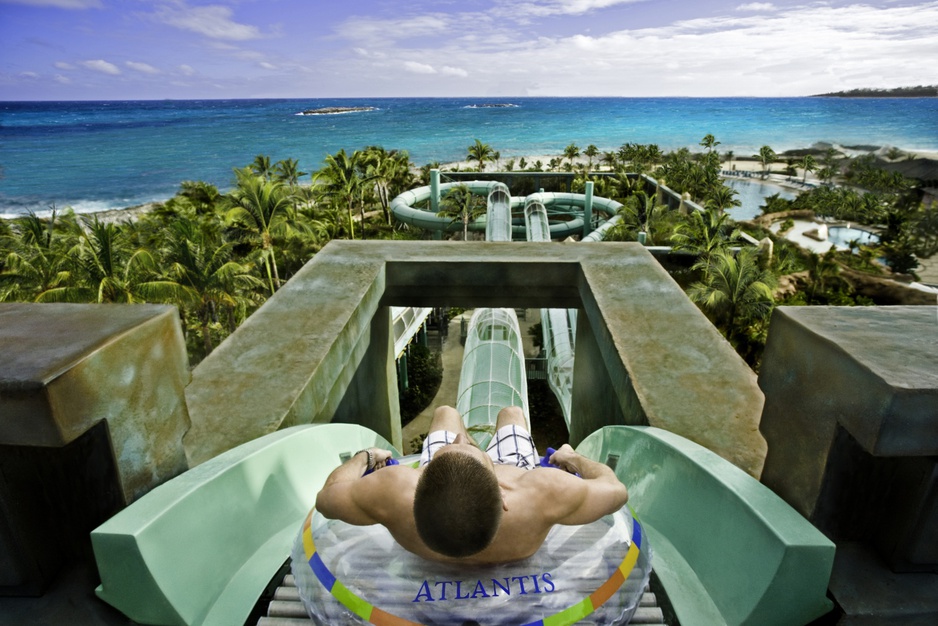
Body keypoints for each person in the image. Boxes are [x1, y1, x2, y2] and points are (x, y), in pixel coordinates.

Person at [315, 405, 629, 565]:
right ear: (503, 493)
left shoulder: (392, 490)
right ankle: (490, 440)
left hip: (447, 481)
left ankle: (449, 438)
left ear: (418, 483)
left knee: (445, 413)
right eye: (464, 444)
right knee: (512, 413)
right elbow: (616, 490)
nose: (461, 438)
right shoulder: (543, 493)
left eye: (459, 443)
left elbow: (327, 498)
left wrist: (365, 456)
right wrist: (572, 458)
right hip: (515, 469)